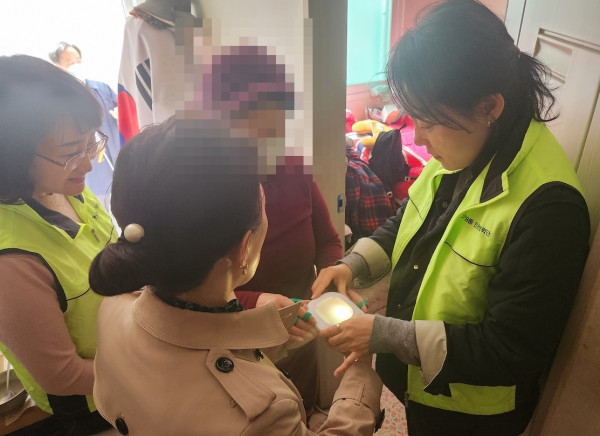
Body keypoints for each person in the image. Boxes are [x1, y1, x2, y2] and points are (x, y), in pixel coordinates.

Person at [312, 1, 590, 435]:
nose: (419, 138)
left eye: (428, 123)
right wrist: (353, 264)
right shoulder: (466, 146)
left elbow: (511, 350)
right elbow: (411, 217)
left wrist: (384, 335)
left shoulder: (549, 209)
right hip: (423, 383)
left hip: (470, 411)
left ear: (489, 107)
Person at [89, 117, 383, 435]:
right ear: (244, 248)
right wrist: (359, 371)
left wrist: (261, 344)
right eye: (263, 206)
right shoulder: (263, 414)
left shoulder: (111, 308)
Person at [196, 44, 348, 416]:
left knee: (301, 407)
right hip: (236, 344)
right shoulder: (202, 187)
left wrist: (331, 276)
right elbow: (190, 290)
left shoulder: (292, 166)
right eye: (260, 121)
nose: (276, 132)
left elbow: (328, 240)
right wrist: (257, 302)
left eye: (281, 117)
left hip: (299, 328)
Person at [0, 55, 117, 434]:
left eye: (90, 143)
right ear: (13, 156)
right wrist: (152, 364)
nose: (88, 164)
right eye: (70, 152)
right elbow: (63, 376)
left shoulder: (64, 185)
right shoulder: (12, 259)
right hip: (96, 404)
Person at [50, 42, 120, 205]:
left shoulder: (100, 88)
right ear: (58, 66)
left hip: (116, 158)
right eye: (70, 62)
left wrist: (121, 114)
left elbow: (124, 108)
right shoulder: (57, 99)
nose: (76, 65)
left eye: (78, 60)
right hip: (93, 175)